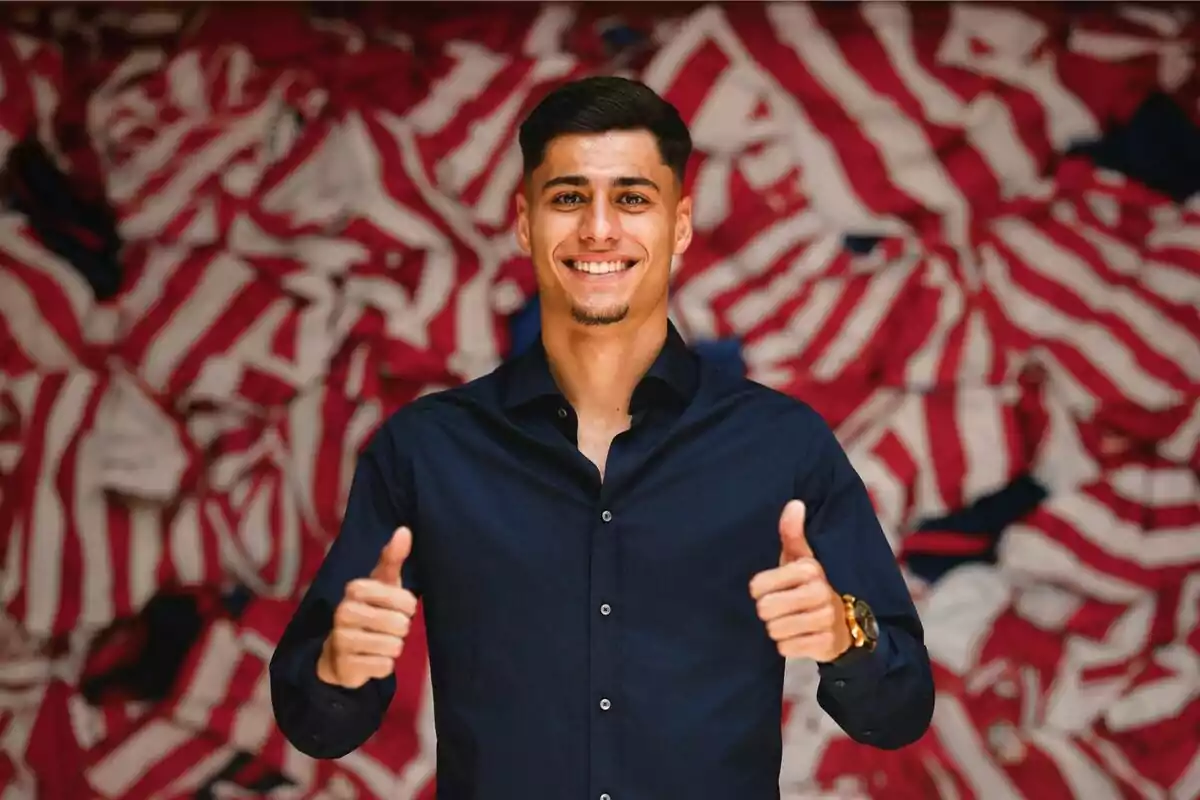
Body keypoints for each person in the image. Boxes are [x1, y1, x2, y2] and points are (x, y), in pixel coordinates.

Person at [270, 75, 934, 799]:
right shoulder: (426, 452)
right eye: (567, 197)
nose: (598, 229)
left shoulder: (783, 446)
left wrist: (844, 635)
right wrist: (339, 665)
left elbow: (898, 712)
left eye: (631, 198)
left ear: (678, 225)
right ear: (525, 223)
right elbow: (317, 725)